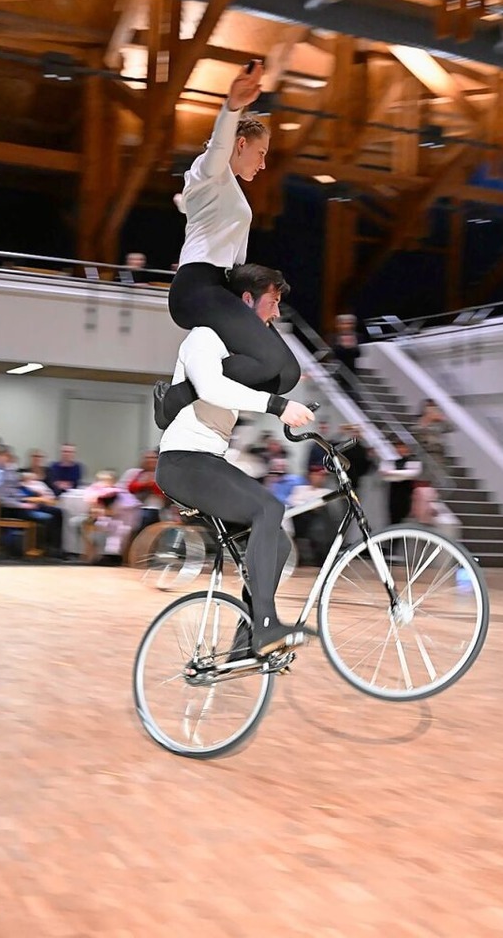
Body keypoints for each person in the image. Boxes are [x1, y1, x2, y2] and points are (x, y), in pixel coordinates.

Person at [155, 269, 315, 657]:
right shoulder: (204, 337)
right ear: (245, 300)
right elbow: (211, 388)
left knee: (275, 542)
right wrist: (279, 407)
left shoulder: (240, 355)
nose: (277, 312)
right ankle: (264, 627)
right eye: (272, 302)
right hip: (183, 461)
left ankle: (246, 642)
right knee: (269, 507)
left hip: (207, 460)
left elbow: (271, 373)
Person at [154, 61, 300, 429]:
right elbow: (217, 150)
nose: (264, 164)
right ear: (240, 144)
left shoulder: (224, 190)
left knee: (287, 373)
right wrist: (231, 107)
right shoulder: (210, 170)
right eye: (261, 152)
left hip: (220, 289)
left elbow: (195, 207)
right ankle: (177, 399)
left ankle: (193, 396)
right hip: (197, 289)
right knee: (267, 361)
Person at [380, 440, 422, 525]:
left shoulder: (412, 461)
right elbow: (384, 474)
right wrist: (398, 475)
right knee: (393, 520)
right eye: (398, 447)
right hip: (393, 498)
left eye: (403, 447)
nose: (400, 450)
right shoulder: (391, 461)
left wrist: (394, 474)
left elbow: (412, 473)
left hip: (407, 498)